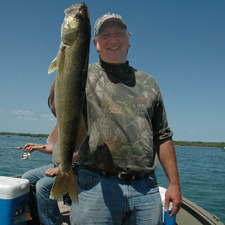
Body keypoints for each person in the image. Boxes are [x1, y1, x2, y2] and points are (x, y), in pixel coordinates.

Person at [69, 13, 183, 225]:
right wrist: (69, 61)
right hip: (95, 185)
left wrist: (174, 184)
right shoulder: (84, 74)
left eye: (119, 34)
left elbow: (163, 136)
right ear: (95, 44)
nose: (113, 40)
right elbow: (58, 106)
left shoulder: (149, 83)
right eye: (105, 35)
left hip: (146, 189)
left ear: (129, 39)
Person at [22, 79, 77, 225]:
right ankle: (36, 219)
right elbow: (55, 148)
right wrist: (37, 146)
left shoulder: (77, 123)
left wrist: (59, 169)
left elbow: (80, 152)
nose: (55, 109)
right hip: (58, 165)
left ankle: (51, 222)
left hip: (74, 170)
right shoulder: (61, 124)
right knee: (27, 178)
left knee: (43, 186)